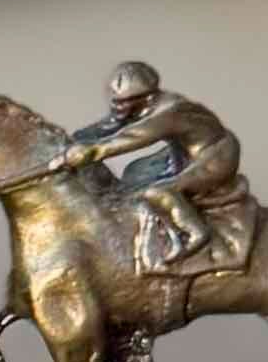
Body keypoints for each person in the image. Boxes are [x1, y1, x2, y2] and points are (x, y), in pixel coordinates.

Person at [58, 62, 249, 275]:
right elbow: (110, 126)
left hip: (215, 156)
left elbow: (131, 137)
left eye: (122, 104)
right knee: (135, 171)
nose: (117, 108)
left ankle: (195, 233)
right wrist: (72, 141)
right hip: (184, 153)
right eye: (115, 102)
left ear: (147, 99)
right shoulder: (140, 106)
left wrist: (90, 152)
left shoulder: (170, 111)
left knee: (159, 191)